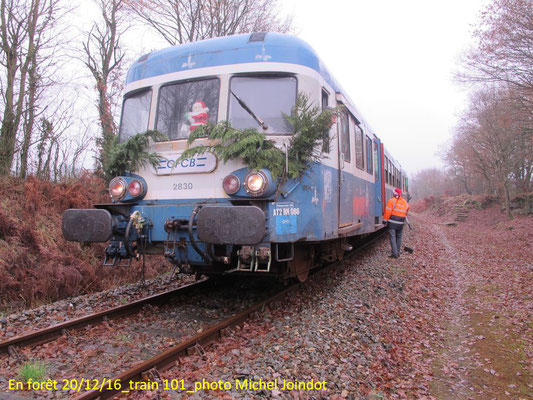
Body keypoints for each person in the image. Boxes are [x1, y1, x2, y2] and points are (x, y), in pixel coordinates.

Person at [383, 188, 409, 258]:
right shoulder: (405, 202)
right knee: (399, 237)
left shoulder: (391, 201)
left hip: (392, 222)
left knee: (392, 237)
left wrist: (385, 220)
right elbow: (407, 210)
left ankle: (394, 254)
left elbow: (388, 211)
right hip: (400, 222)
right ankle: (397, 252)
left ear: (394, 193)